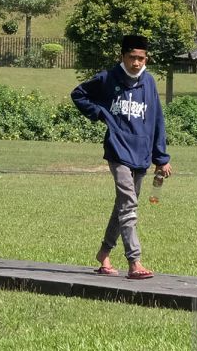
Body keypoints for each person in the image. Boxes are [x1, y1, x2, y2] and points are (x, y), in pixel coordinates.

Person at [70, 34, 172, 280]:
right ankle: (134, 261)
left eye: (141, 58)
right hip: (118, 150)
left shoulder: (148, 83)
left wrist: (162, 157)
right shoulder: (108, 78)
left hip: (142, 153)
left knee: (123, 206)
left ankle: (104, 253)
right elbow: (78, 94)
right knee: (129, 204)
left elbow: (157, 120)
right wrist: (100, 113)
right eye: (132, 58)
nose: (136, 63)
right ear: (122, 57)